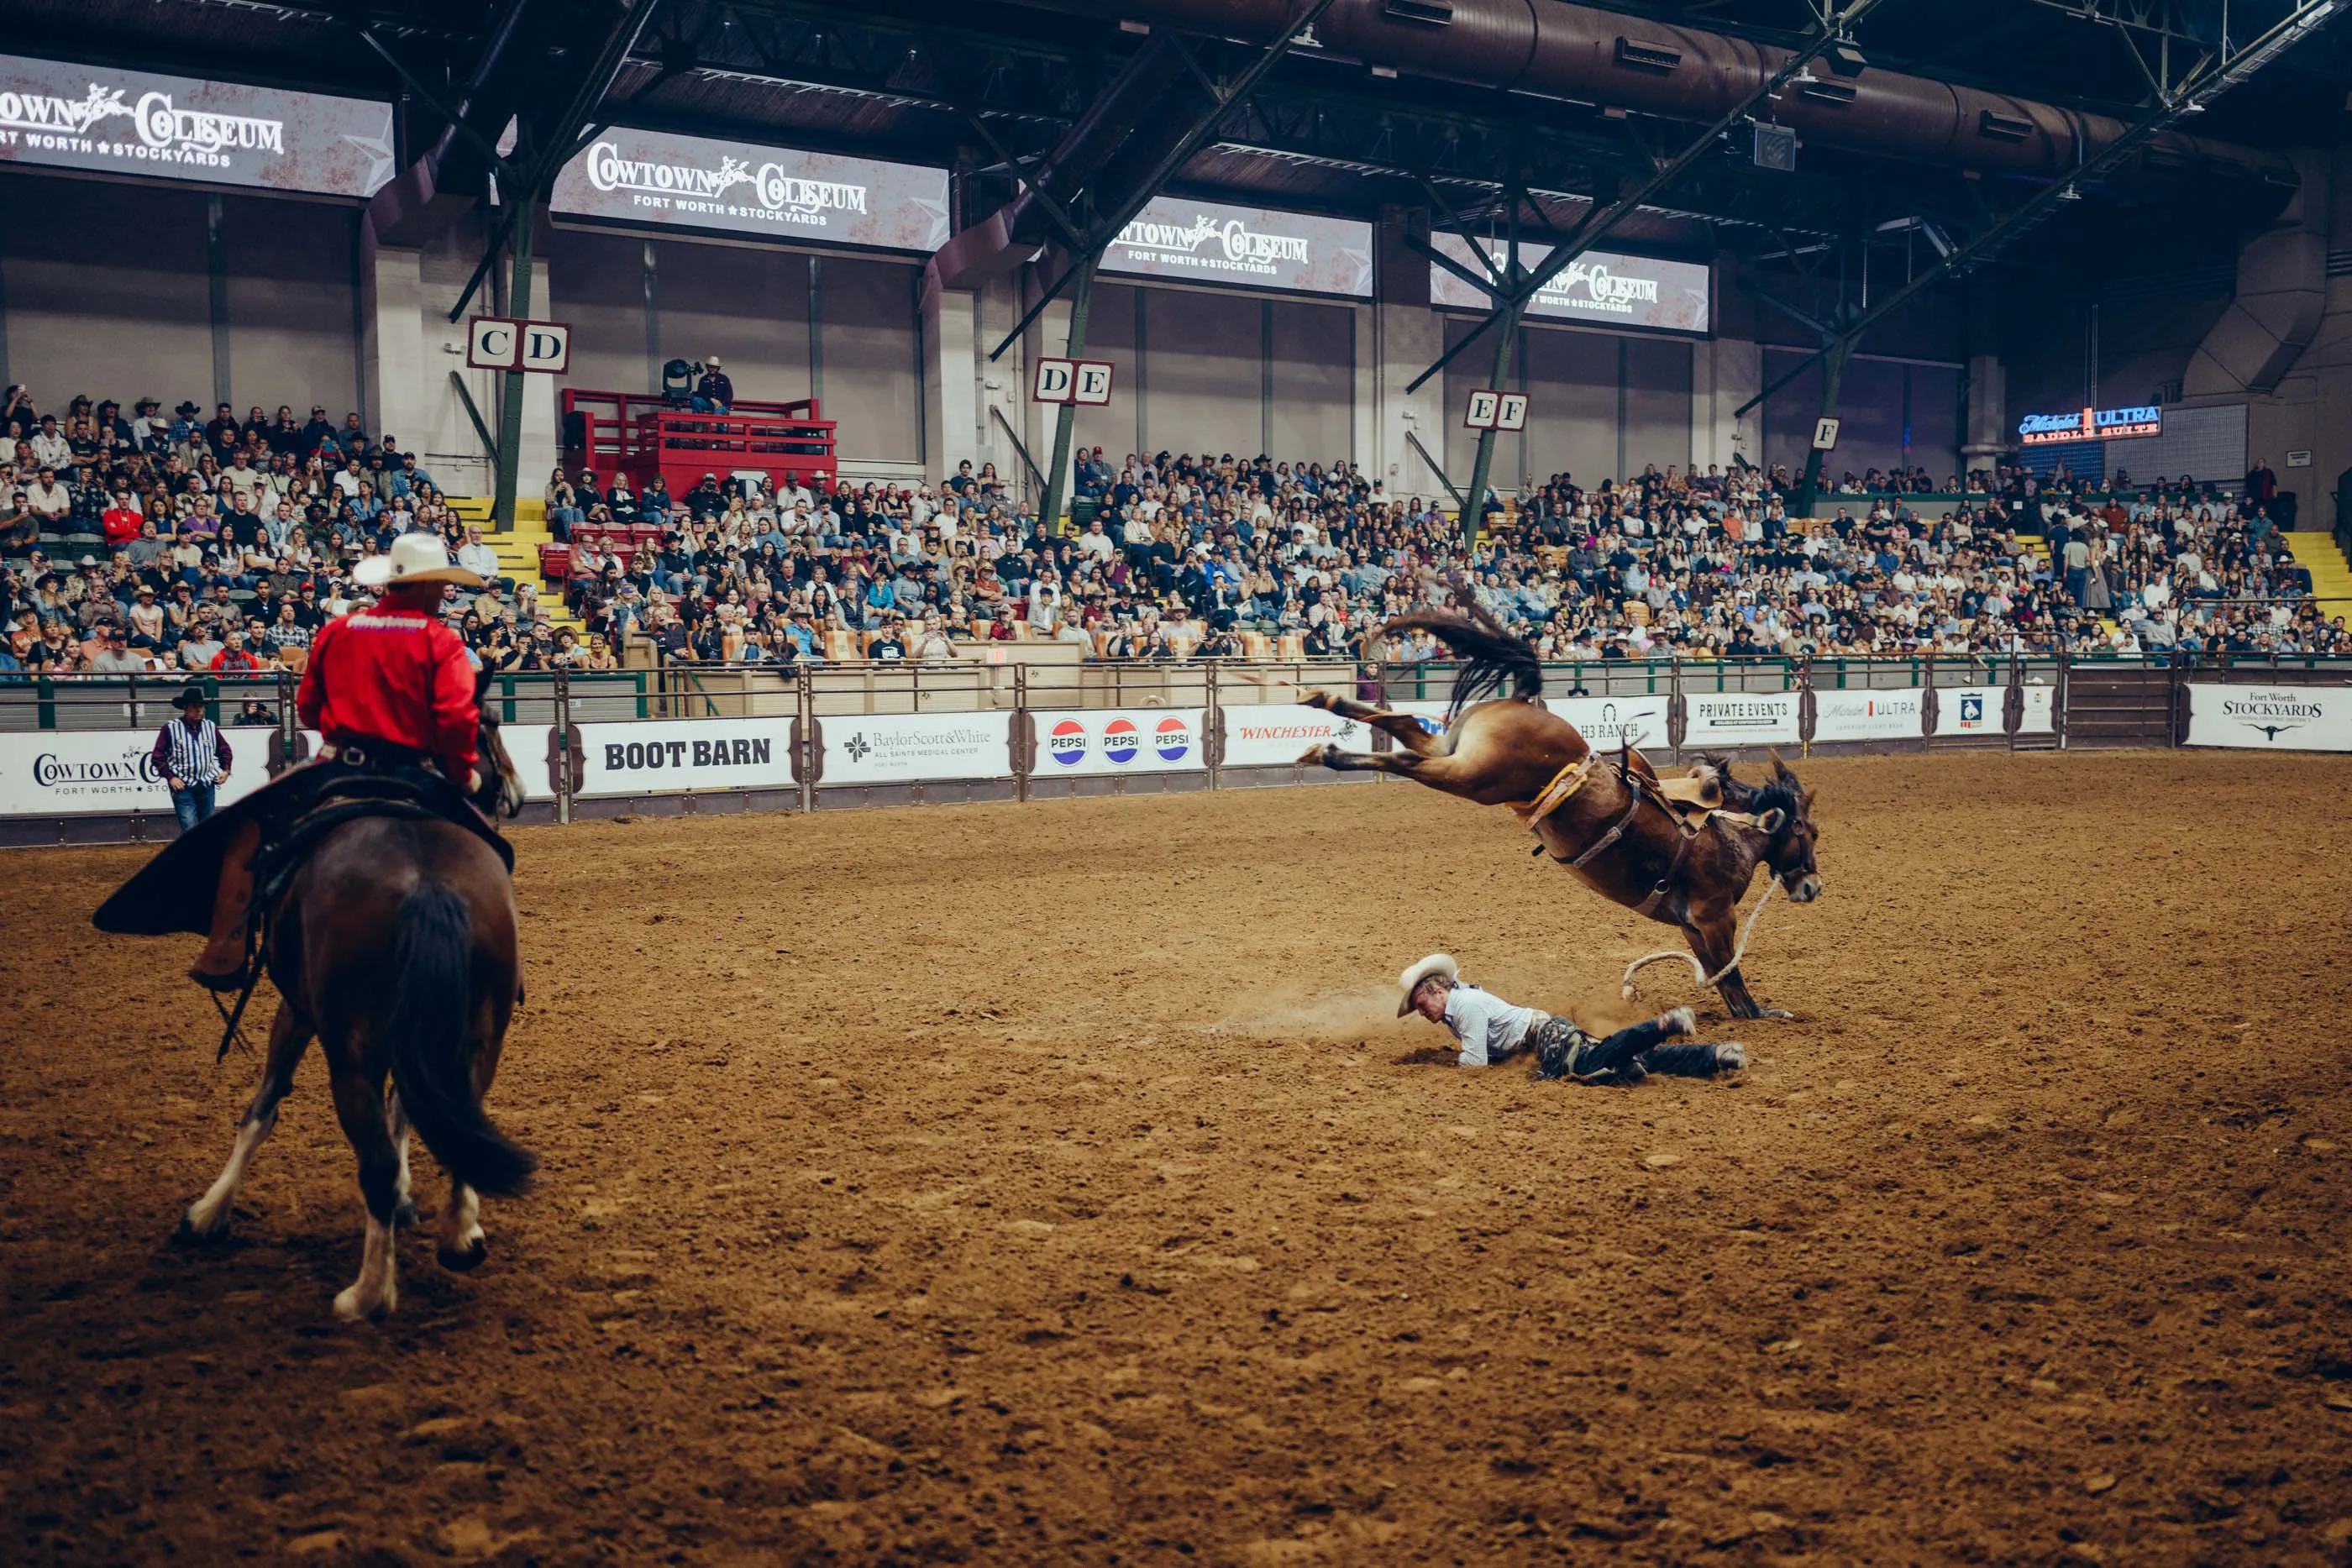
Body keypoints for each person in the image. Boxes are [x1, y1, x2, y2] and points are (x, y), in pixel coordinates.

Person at [184, 532, 486, 990]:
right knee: (485, 850)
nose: (446, 592)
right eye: (443, 583)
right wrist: (462, 774)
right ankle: (499, 963)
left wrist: (343, 732)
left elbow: (308, 706)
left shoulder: (338, 631)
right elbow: (454, 717)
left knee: (247, 832)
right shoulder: (441, 641)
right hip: (416, 772)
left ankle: (225, 951)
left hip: (343, 765)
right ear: (425, 585)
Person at [1394, 953, 1743, 1083]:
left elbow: (1475, 1062)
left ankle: (1664, 1025)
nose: (1423, 1013)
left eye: (1422, 1004)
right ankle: (1714, 1055)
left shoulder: (1465, 1005)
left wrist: (1444, 1067)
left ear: (1439, 991)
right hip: (1547, 1034)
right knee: (1631, 1062)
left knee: (1592, 1063)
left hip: (1546, 1038)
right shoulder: (1459, 1007)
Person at [154, 685, 233, 836]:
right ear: (185, 707)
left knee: (207, 827)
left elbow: (224, 750)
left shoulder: (211, 726)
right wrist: (171, 778)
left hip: (207, 783)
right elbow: (158, 756)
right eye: (195, 706)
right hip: (183, 786)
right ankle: (194, 857)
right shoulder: (170, 728)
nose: (199, 710)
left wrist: (226, 770)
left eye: (201, 706)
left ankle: (203, 858)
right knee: (189, 827)